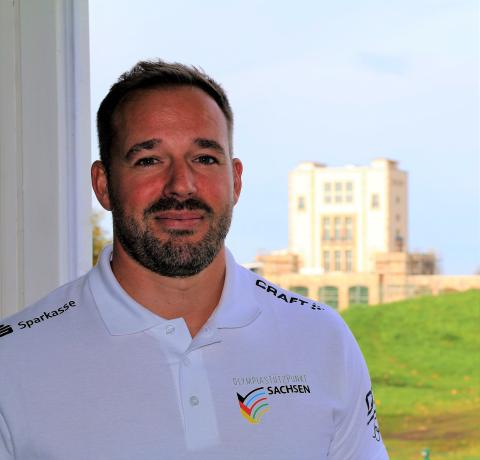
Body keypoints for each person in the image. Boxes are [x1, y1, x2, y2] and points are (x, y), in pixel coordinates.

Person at [0, 60, 389, 459]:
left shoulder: (321, 338)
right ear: (104, 185)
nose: (181, 185)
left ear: (235, 181)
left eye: (204, 158)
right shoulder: (12, 360)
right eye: (149, 160)